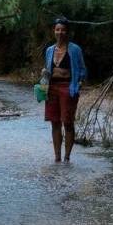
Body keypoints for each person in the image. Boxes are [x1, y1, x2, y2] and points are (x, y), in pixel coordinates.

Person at [42, 16, 87, 163]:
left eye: (63, 30)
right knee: (55, 122)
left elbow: (82, 70)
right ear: (54, 31)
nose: (60, 32)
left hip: (68, 87)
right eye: (57, 29)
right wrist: (43, 79)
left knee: (67, 122)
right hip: (51, 88)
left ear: (67, 32)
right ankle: (57, 158)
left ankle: (67, 157)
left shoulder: (75, 49)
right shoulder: (49, 50)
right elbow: (47, 70)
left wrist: (79, 83)